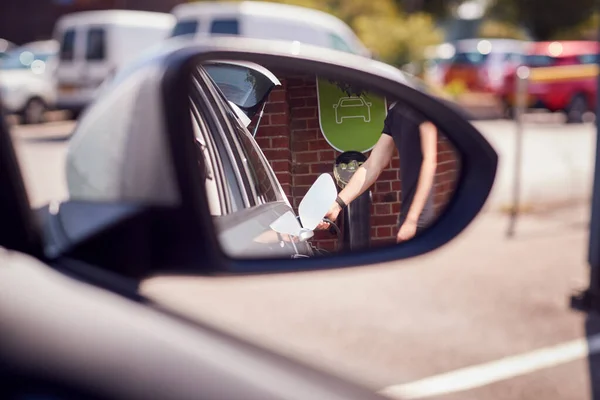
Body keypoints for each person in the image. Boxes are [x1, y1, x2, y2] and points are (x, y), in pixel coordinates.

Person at [318, 100, 438, 242]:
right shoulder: (396, 112)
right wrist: (337, 205)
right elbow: (373, 165)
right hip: (409, 218)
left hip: (424, 219)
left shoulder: (420, 104)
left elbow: (430, 161)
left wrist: (413, 219)